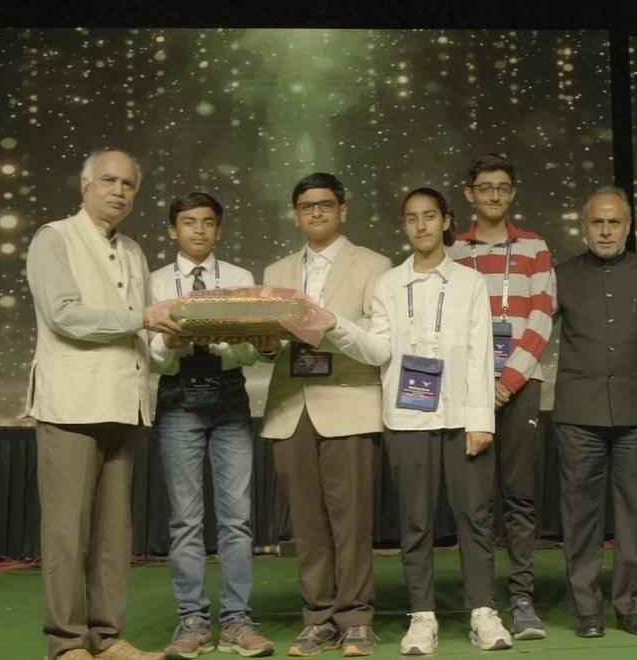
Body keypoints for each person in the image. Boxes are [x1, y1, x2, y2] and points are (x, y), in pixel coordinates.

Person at [320, 187, 514, 655]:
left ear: (446, 221)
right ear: (404, 226)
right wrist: (335, 326)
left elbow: (480, 356)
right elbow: (378, 349)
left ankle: (482, 611)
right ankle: (422, 616)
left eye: (429, 216)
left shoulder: (470, 283)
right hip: (407, 419)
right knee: (415, 522)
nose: (421, 225)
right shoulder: (388, 284)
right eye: (412, 218)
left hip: (461, 417)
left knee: (475, 518)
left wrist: (481, 421)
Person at [24, 148, 178, 660]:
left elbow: (143, 335)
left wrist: (167, 341)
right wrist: (142, 320)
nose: (119, 191)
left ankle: (107, 638)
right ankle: (67, 643)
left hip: (124, 404)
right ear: (85, 186)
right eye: (109, 181)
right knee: (67, 533)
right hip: (71, 406)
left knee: (114, 535)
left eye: (128, 184)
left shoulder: (133, 250)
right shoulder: (54, 238)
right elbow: (64, 316)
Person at [260, 173, 390, 657]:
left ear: (343, 210)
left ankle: (355, 619)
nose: (316, 212)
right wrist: (262, 344)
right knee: (308, 526)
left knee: (351, 521)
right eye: (306, 206)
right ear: (296, 215)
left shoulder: (374, 265)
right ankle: (318, 618)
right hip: (291, 408)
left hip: (349, 404)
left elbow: (378, 344)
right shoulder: (275, 271)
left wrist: (327, 327)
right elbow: (265, 348)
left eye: (325, 204)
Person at [553, 186, 637, 639]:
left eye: (614, 222)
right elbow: (535, 336)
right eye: (598, 222)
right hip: (577, 413)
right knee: (580, 517)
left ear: (628, 227)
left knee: (636, 514)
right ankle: (587, 611)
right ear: (584, 226)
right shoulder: (560, 276)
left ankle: (633, 606)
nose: (606, 230)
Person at [148, 192, 276, 659]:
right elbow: (148, 357)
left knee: (236, 517)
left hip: (229, 396)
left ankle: (238, 620)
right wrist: (170, 346)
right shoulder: (154, 282)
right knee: (185, 519)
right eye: (188, 222)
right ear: (172, 230)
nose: (198, 230)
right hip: (178, 397)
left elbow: (252, 352)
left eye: (207, 223)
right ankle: (193, 621)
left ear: (219, 231)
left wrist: (228, 343)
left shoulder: (240, 279)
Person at [449, 153, 556, 640]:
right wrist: (479, 388)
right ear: (469, 193)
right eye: (484, 187)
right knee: (474, 502)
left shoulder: (534, 247)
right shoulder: (452, 250)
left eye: (502, 187)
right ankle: (482, 603)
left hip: (520, 386)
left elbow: (541, 318)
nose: (494, 195)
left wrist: (506, 382)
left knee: (519, 497)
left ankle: (521, 598)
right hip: (468, 392)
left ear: (512, 193)